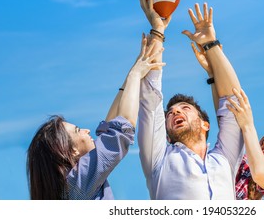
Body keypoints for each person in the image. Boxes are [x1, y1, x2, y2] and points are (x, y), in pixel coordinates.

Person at [26, 35, 165, 199]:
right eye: (78, 130)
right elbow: (122, 129)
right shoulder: (77, 183)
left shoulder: (66, 189)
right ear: (70, 150)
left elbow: (109, 127)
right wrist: (135, 74)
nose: (86, 130)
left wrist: (132, 74)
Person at [137, 0, 244, 199]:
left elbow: (234, 102)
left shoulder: (225, 160)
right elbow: (150, 97)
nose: (175, 111)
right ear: (166, 133)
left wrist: (211, 44)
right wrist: (158, 31)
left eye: (185, 108)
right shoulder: (159, 160)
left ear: (206, 124)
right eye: (170, 113)